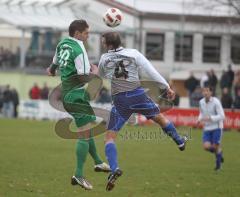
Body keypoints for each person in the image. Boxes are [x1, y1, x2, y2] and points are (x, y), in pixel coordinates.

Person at [96, 32, 188, 191]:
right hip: (137, 94)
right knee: (160, 119)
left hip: (120, 99)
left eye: (103, 42)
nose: (103, 44)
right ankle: (179, 141)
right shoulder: (133, 53)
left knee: (110, 138)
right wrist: (166, 87)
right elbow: (150, 70)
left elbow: (102, 75)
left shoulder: (104, 58)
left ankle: (114, 168)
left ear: (108, 44)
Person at [46, 19, 110, 190]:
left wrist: (52, 70)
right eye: (86, 33)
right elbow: (83, 76)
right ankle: (78, 175)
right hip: (76, 95)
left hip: (66, 95)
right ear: (78, 33)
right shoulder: (79, 47)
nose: (88, 36)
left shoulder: (62, 44)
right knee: (85, 134)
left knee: (87, 127)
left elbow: (54, 65)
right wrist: (95, 73)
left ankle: (97, 162)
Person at [196, 85, 225, 171]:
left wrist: (211, 118)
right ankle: (219, 153)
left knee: (215, 146)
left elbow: (222, 116)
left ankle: (218, 166)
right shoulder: (201, 102)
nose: (205, 92)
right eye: (204, 91)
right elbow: (201, 113)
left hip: (217, 127)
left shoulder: (216, 102)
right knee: (206, 147)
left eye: (207, 91)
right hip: (207, 128)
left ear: (211, 92)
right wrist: (199, 119)